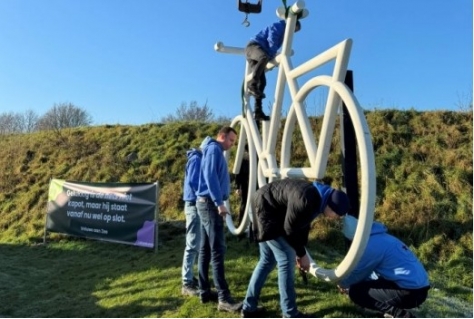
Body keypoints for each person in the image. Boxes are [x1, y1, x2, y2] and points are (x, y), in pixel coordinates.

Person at [241, 179, 351, 318]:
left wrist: (301, 251)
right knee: (286, 260)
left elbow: (302, 224)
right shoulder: (307, 200)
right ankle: (290, 313)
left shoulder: (319, 197)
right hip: (264, 210)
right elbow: (290, 229)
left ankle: (248, 307)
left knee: (267, 260)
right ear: (331, 206)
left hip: (264, 204)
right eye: (337, 214)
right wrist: (301, 254)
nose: (336, 218)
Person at [337, 215, 430, 318]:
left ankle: (401, 315)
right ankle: (390, 311)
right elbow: (370, 274)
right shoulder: (383, 238)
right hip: (419, 288)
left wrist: (342, 283)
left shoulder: (370, 245)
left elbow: (359, 273)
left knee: (356, 292)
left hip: (411, 293)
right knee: (365, 285)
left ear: (354, 237)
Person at [196, 126, 242, 313]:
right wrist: (219, 202)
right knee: (217, 250)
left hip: (205, 203)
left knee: (206, 249)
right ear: (221, 136)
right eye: (231, 140)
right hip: (210, 205)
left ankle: (204, 291)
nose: (232, 145)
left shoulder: (212, 149)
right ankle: (223, 298)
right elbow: (209, 176)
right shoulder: (214, 149)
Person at [245, 19, 301, 121]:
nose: (293, 33)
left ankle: (258, 111)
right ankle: (252, 84)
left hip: (260, 51)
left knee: (262, 82)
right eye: (294, 30)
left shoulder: (283, 33)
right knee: (263, 58)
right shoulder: (278, 26)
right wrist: (272, 55)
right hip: (254, 47)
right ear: (292, 24)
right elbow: (272, 39)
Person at [180, 136, 210, 296]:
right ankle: (186, 283)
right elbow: (194, 182)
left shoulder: (197, 158)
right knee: (192, 244)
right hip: (194, 204)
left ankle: (192, 278)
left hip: (195, 203)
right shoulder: (197, 160)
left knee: (197, 244)